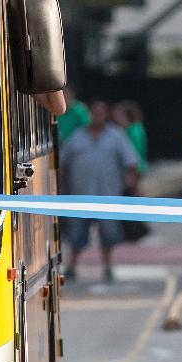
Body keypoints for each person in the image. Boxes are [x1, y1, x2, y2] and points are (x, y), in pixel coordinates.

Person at [60, 99, 138, 283]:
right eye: (95, 112)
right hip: (80, 195)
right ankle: (71, 266)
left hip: (107, 195)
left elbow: (131, 163)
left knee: (108, 235)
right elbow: (63, 163)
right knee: (76, 235)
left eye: (101, 112)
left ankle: (108, 267)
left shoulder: (117, 137)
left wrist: (131, 186)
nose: (98, 116)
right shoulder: (77, 137)